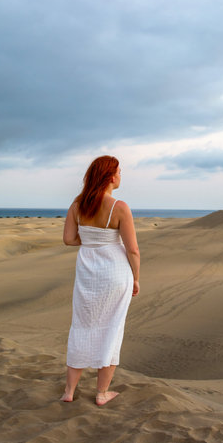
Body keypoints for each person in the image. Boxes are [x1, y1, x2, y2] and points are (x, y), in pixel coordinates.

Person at [60, 155, 140, 406]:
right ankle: (101, 393)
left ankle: (69, 391)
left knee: (82, 326)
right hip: (115, 274)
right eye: (118, 171)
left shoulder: (77, 205)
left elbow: (69, 240)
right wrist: (136, 279)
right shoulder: (119, 207)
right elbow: (133, 250)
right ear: (108, 176)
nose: (120, 176)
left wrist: (92, 241)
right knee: (112, 329)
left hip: (87, 274)